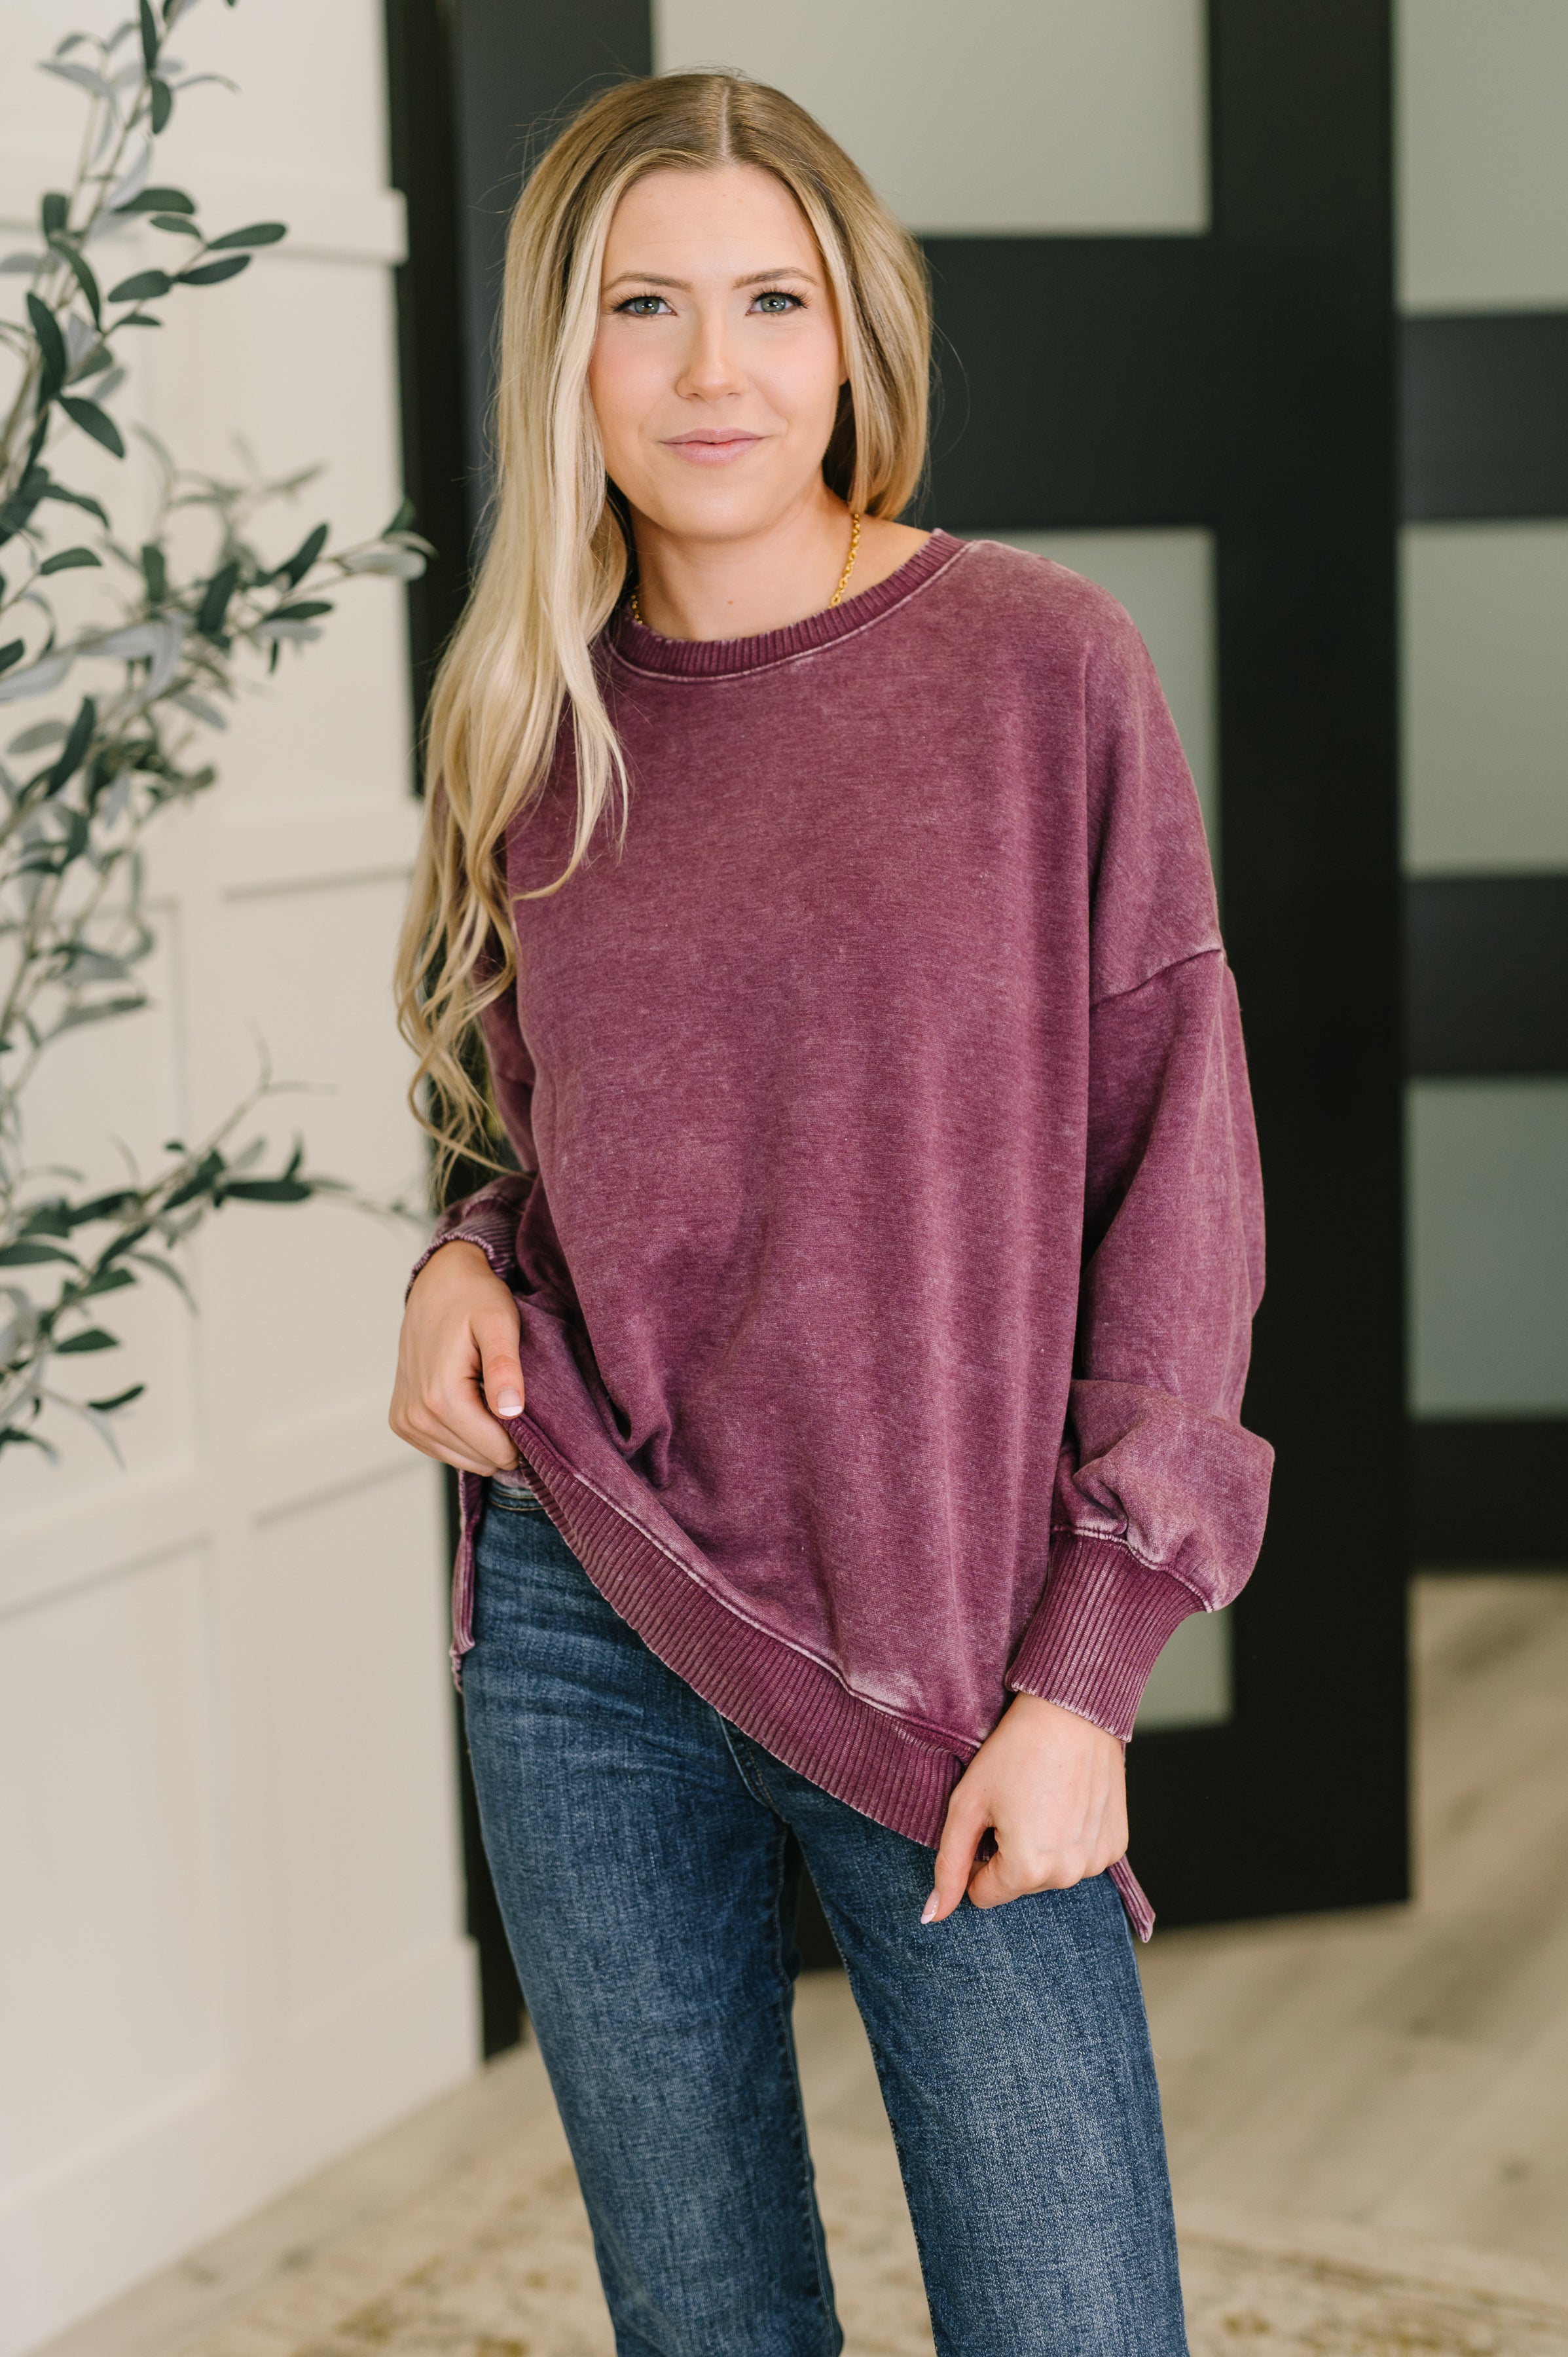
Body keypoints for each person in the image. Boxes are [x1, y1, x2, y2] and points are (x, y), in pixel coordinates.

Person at [391, 69, 1271, 2357]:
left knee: (1070, 2322)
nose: (714, 369)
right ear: (562, 353)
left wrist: (1086, 1674)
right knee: (701, 2319)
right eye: (643, 305)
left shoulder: (1038, 665)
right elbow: (544, 1123)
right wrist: (457, 1255)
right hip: (585, 1623)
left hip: (947, 1648)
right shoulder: (525, 718)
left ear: (855, 334)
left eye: (771, 301)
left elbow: (1175, 1164)